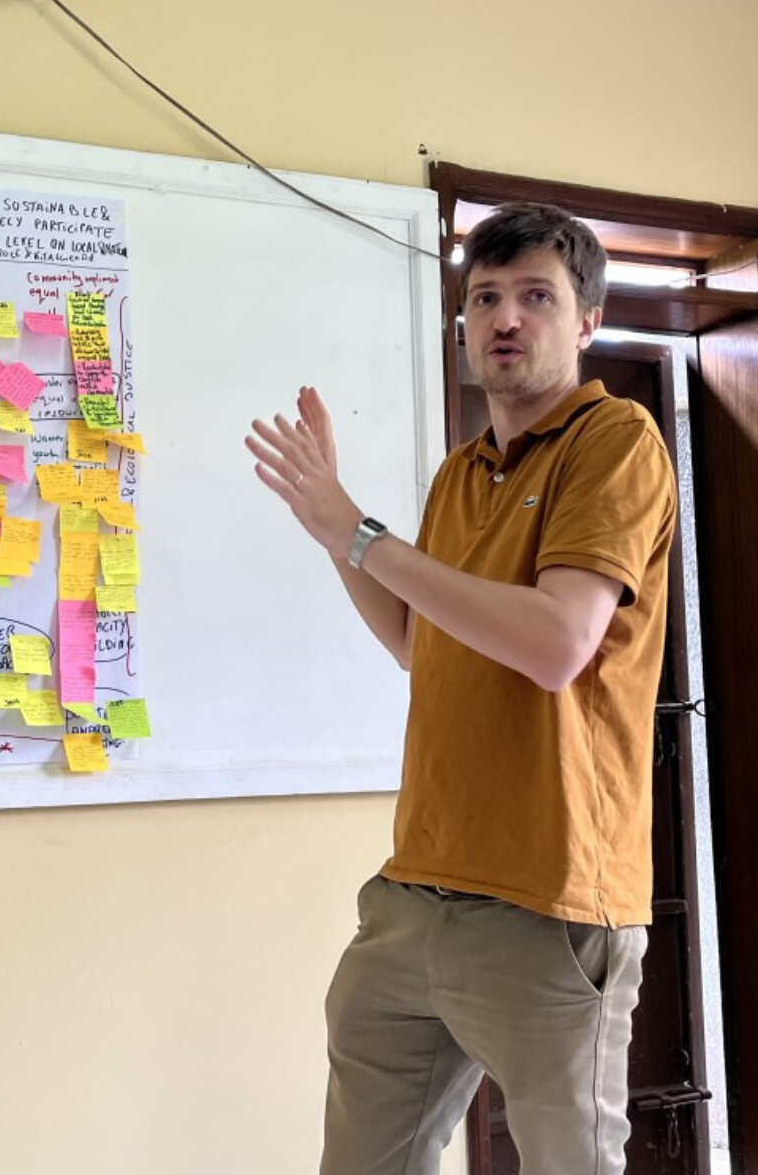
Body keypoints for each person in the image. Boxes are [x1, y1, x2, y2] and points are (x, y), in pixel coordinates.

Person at [245, 202, 677, 1175]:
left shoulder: (616, 440)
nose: (504, 319)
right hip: (414, 898)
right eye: (484, 298)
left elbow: (557, 643)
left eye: (535, 297)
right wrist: (334, 538)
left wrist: (362, 534)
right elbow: (415, 643)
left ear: (588, 320)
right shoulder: (459, 476)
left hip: (550, 906)